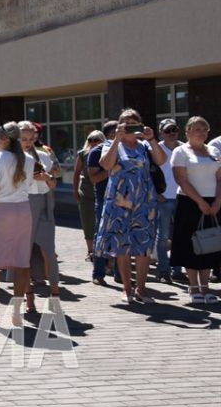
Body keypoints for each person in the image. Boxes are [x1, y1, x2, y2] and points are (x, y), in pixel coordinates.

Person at [94, 109, 165, 305]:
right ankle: (127, 289)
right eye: (125, 122)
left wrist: (152, 139)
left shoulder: (144, 146)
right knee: (121, 245)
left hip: (144, 200)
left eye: (133, 122)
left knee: (143, 245)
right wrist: (117, 140)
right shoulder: (110, 144)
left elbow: (161, 160)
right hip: (119, 201)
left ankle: (141, 288)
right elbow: (106, 165)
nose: (129, 125)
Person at [0, 123, 36, 327]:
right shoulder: (29, 159)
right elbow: (27, 185)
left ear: (4, 140)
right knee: (21, 262)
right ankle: (17, 312)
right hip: (22, 210)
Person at [169, 116, 221, 303]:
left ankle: (206, 289)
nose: (201, 132)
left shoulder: (214, 150)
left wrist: (217, 201)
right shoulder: (180, 151)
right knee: (191, 245)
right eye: (197, 129)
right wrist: (200, 201)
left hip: (213, 203)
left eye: (205, 129)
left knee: (209, 244)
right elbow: (181, 180)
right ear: (188, 131)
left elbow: (220, 178)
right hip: (189, 202)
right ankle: (193, 288)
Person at [20, 122, 62, 313]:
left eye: (31, 138)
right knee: (24, 254)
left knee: (49, 252)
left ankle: (55, 297)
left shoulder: (44, 155)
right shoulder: (12, 158)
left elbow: (53, 184)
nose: (28, 142)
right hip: (22, 205)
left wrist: (46, 177)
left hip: (44, 204)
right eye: (24, 138)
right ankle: (29, 300)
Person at [87, 121, 119, 285]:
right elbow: (93, 179)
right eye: (119, 130)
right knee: (101, 236)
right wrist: (111, 169)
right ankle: (98, 274)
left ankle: (120, 275)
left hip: (123, 201)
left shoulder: (128, 151)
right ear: (111, 134)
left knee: (122, 236)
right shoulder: (96, 152)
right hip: (104, 200)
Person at [155, 119, 185, 284]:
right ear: (161, 133)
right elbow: (150, 173)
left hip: (182, 197)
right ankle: (163, 270)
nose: (172, 133)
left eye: (174, 129)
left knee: (179, 236)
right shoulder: (156, 149)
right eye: (168, 130)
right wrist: (157, 193)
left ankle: (177, 270)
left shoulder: (184, 148)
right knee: (163, 237)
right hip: (164, 199)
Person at [73, 131, 105, 262]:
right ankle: (90, 251)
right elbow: (76, 173)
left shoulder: (106, 153)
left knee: (102, 224)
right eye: (90, 139)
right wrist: (75, 191)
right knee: (88, 223)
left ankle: (103, 251)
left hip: (103, 193)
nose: (93, 142)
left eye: (96, 139)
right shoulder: (82, 154)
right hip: (86, 193)